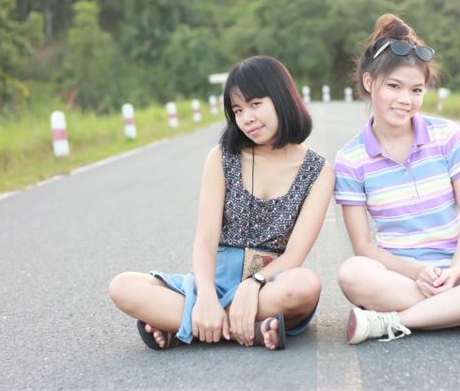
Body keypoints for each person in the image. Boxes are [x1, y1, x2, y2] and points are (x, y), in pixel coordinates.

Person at [109, 55, 334, 350]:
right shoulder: (222, 157)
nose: (246, 118)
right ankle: (247, 328)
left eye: (255, 104)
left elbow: (295, 253)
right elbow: (206, 239)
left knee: (305, 286)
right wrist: (205, 297)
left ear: (282, 98)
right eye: (238, 110)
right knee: (123, 286)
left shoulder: (318, 171)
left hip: (268, 286)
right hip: (213, 283)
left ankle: (187, 326)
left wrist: (254, 284)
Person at [334, 14, 460, 344]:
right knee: (352, 274)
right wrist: (417, 272)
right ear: (369, 82)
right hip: (399, 275)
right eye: (394, 86)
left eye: (416, 90)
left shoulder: (448, 136)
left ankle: (392, 322)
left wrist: (454, 271)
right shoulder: (350, 159)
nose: (405, 100)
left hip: (459, 272)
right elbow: (363, 247)